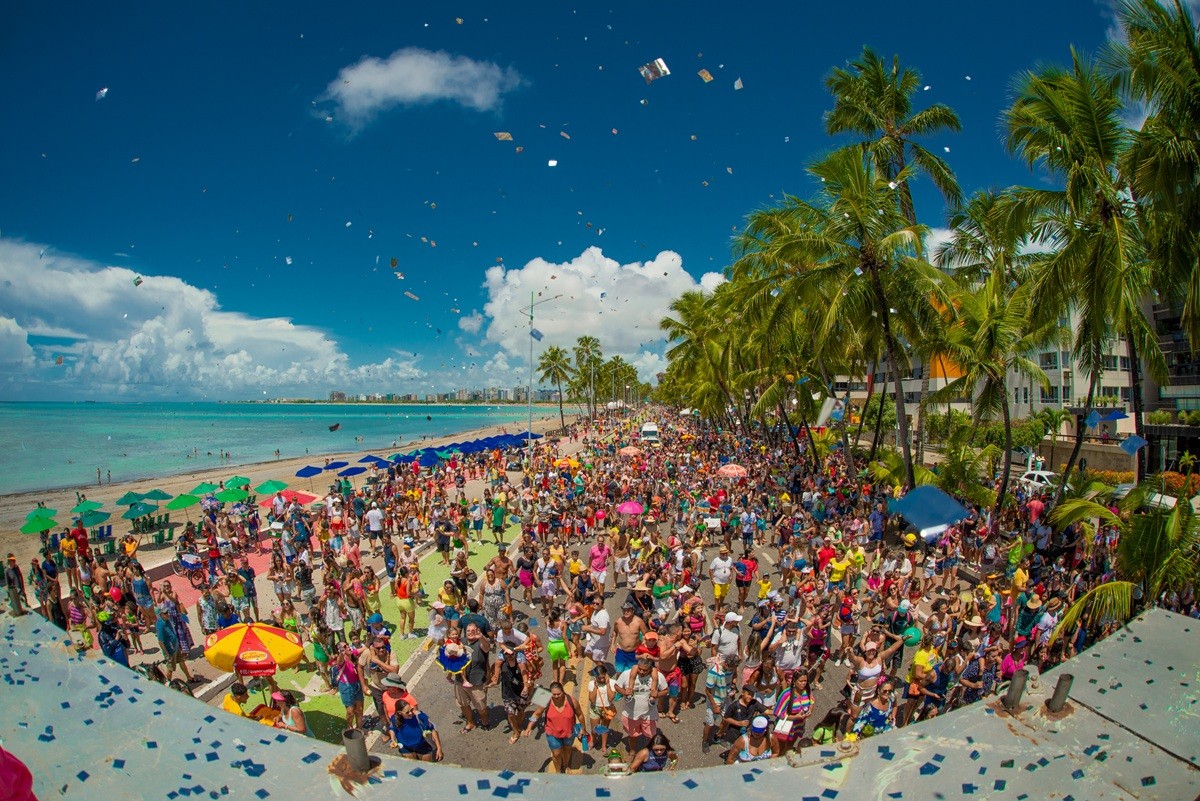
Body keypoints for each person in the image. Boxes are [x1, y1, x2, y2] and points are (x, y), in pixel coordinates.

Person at [523, 681, 583, 774]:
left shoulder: (572, 700)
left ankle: (566, 765)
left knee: (567, 750)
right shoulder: (545, 698)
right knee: (556, 754)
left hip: (569, 732)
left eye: (558, 694)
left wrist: (583, 729)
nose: (556, 696)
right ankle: (558, 771)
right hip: (552, 733)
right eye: (553, 694)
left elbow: (580, 715)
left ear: (563, 691)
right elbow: (536, 714)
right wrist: (529, 727)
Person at [616, 650, 668, 755]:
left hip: (650, 714)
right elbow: (617, 686)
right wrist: (624, 692)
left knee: (649, 736)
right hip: (631, 714)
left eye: (645, 670)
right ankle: (632, 750)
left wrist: (657, 694)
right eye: (640, 669)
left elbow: (666, 690)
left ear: (650, 668)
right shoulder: (626, 674)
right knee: (632, 735)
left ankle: (646, 751)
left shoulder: (658, 676)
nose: (642, 672)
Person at [454, 622, 492, 733]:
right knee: (463, 704)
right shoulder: (461, 642)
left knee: (481, 707)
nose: (470, 633)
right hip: (460, 681)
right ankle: (470, 723)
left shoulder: (481, 642)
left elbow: (486, 647)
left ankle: (484, 721)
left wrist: (481, 637)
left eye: (473, 630)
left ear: (477, 631)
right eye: (468, 631)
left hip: (477, 681)